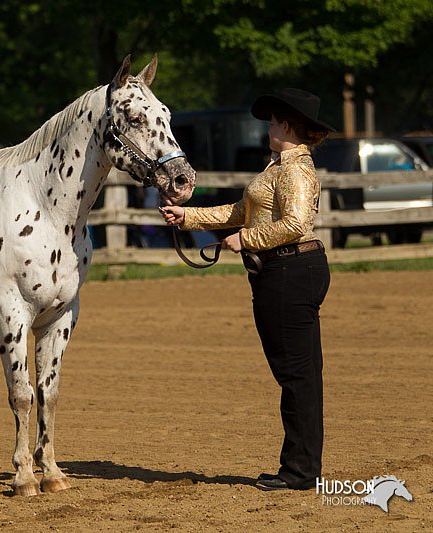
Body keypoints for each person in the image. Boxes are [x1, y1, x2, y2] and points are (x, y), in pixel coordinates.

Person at [160, 88, 335, 491]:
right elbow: (239, 213)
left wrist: (246, 239)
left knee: (296, 375)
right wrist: (186, 216)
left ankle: (300, 471)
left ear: (286, 126)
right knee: (297, 374)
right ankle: (300, 467)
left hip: (289, 271)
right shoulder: (276, 168)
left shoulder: (295, 170)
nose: (269, 126)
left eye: (273, 121)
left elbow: (293, 224)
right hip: (283, 271)